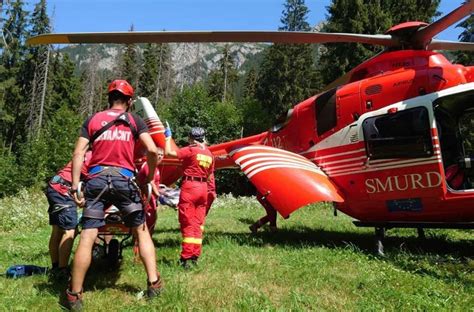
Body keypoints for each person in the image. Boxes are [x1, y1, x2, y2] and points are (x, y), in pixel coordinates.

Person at [66, 79, 163, 310]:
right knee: (140, 231)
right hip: (124, 181)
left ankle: (74, 294)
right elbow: (151, 149)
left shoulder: (92, 120)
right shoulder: (134, 121)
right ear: (129, 101)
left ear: (109, 98)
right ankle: (154, 283)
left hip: (96, 181)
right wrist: (148, 179)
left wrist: (75, 185)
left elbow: (78, 152)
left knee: (88, 236)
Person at [164, 126, 215, 269]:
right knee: (198, 224)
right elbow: (210, 175)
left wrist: (168, 136)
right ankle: (194, 256)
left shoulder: (191, 149)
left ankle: (185, 258)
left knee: (187, 222)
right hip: (203, 189)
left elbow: (169, 153)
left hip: (190, 187)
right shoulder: (209, 154)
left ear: (191, 138)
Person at [46, 151, 91, 280]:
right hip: (63, 189)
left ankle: (56, 267)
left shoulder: (88, 154)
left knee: (58, 230)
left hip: (55, 186)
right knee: (70, 231)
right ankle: (62, 271)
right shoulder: (95, 157)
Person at [136, 147, 164, 233]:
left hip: (151, 198)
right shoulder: (149, 166)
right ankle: (139, 243)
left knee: (152, 219)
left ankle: (148, 241)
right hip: (145, 198)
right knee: (147, 221)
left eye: (161, 155)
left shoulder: (155, 168)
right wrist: (160, 196)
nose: (159, 157)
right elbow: (150, 182)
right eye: (157, 155)